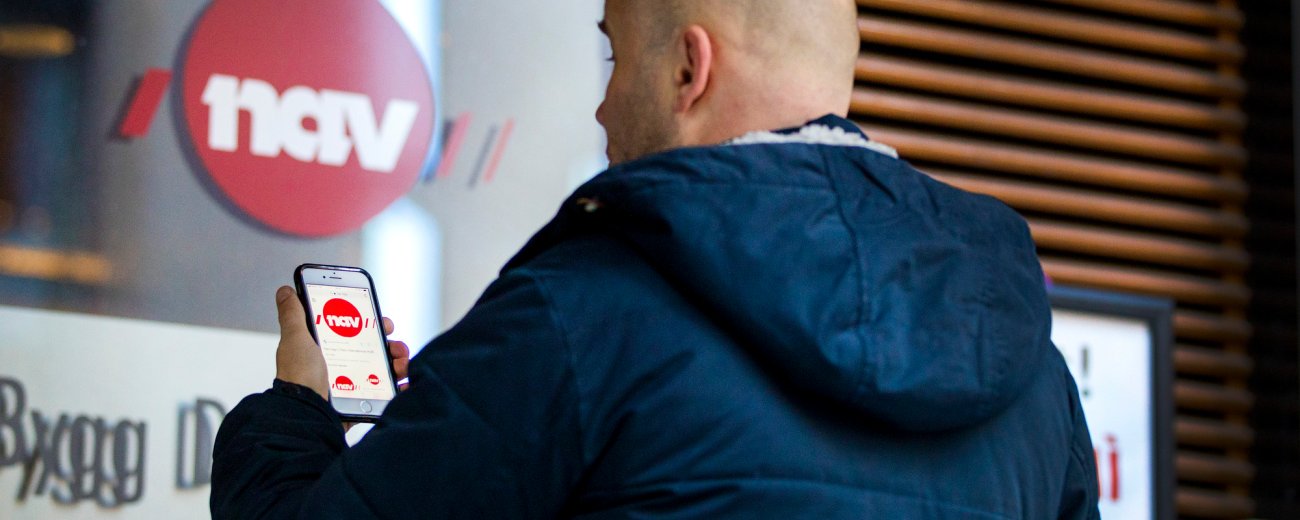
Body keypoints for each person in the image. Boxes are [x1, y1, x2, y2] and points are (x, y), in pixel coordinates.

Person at [211, 0, 1100, 517]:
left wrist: (295, 411)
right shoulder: (1032, 370)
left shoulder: (574, 313)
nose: (601, 107)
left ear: (688, 68)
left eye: (613, 53)